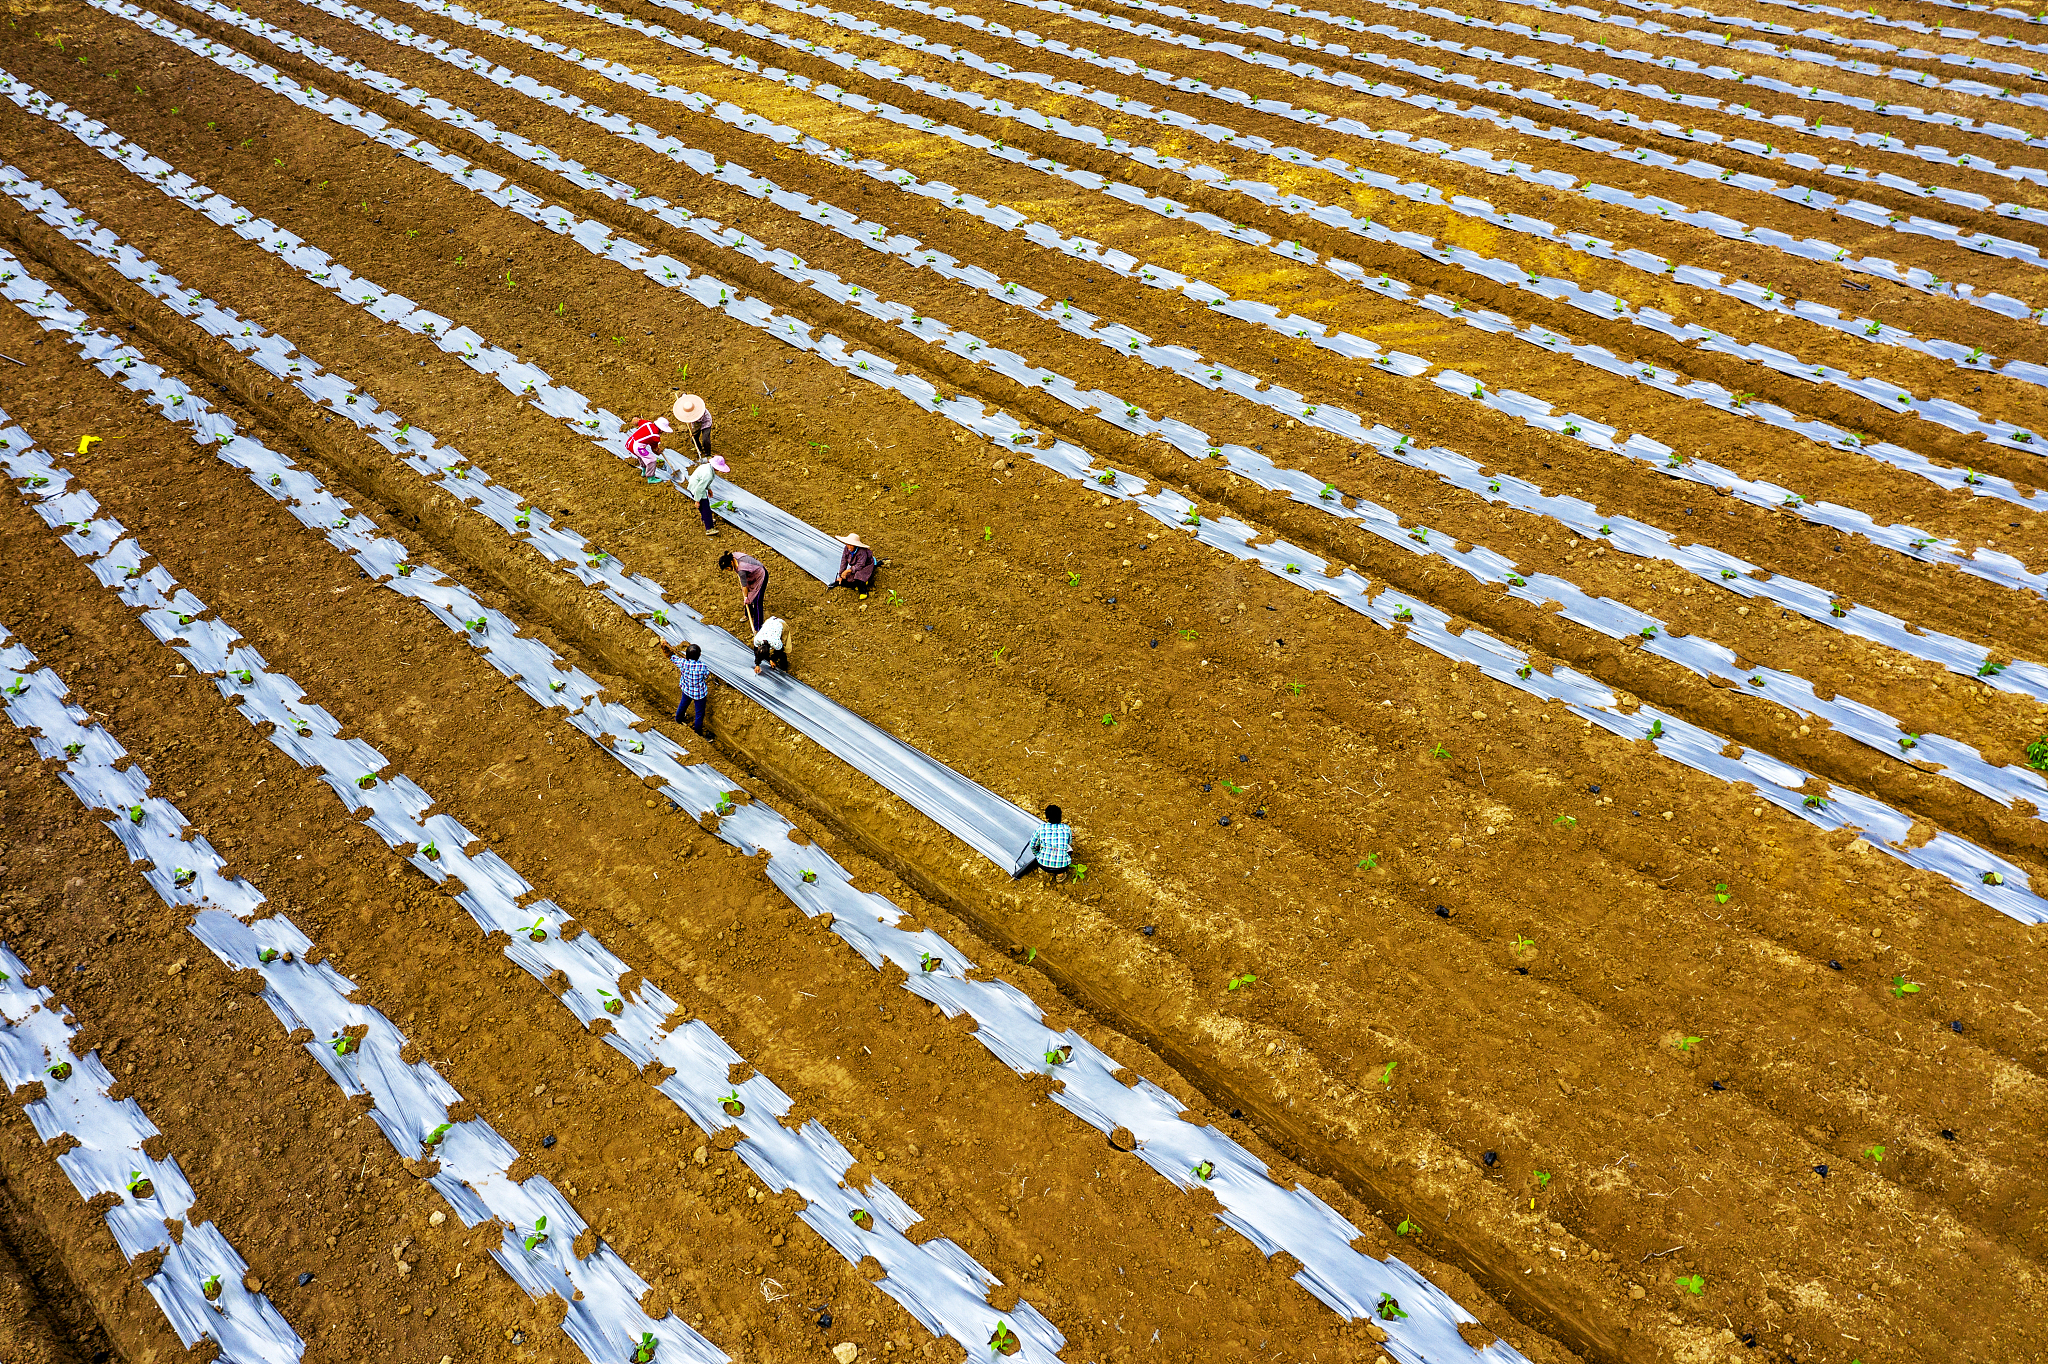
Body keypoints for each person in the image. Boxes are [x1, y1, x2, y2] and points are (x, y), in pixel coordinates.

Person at [662, 641, 711, 736]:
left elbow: (671, 657)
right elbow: (706, 676)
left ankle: (678, 719)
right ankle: (698, 733)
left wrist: (664, 646)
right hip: (699, 694)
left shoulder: (682, 662)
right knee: (699, 714)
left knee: (683, 705)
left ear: (686, 655)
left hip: (686, 690)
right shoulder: (702, 666)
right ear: (699, 655)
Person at [719, 550, 768, 632]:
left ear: (731, 563)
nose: (728, 570)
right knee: (748, 597)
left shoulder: (741, 570)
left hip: (760, 575)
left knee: (757, 601)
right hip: (750, 574)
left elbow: (744, 587)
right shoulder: (733, 556)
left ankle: (758, 627)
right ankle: (748, 614)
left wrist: (746, 597)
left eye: (727, 568)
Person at [684, 454, 731, 537]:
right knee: (706, 508)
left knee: (704, 506)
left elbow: (704, 482)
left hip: (695, 485)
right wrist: (697, 500)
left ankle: (705, 519)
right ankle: (709, 528)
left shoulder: (707, 467)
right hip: (696, 488)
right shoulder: (708, 474)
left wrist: (709, 489)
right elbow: (699, 488)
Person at [1028, 805, 1072, 885]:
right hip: (1062, 866)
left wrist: (1037, 854)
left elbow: (1032, 845)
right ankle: (1060, 875)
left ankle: (1042, 871)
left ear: (1047, 818)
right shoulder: (1067, 828)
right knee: (1069, 849)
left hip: (1043, 864)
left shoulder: (1041, 828)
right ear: (1060, 817)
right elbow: (1069, 843)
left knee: (1041, 850)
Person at [828, 532, 877, 599]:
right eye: (848, 544)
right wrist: (841, 574)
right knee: (848, 578)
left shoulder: (862, 552)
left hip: (866, 566)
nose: (849, 547)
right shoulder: (846, 549)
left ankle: (863, 591)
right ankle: (854, 585)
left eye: (851, 545)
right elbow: (844, 561)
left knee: (859, 576)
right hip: (855, 565)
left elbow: (860, 565)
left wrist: (848, 570)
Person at [627, 415, 672, 483]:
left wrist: (635, 420)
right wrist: (658, 451)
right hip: (637, 447)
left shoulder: (648, 423)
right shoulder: (655, 436)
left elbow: (638, 421)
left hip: (630, 443)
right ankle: (651, 478)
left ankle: (644, 471)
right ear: (661, 429)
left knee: (641, 456)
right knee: (652, 459)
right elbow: (654, 449)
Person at [673, 392, 714, 460]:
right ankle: (698, 447)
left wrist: (693, 433)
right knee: (694, 439)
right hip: (695, 422)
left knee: (705, 440)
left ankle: (708, 454)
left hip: (705, 422)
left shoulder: (699, 411)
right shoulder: (686, 403)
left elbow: (698, 425)